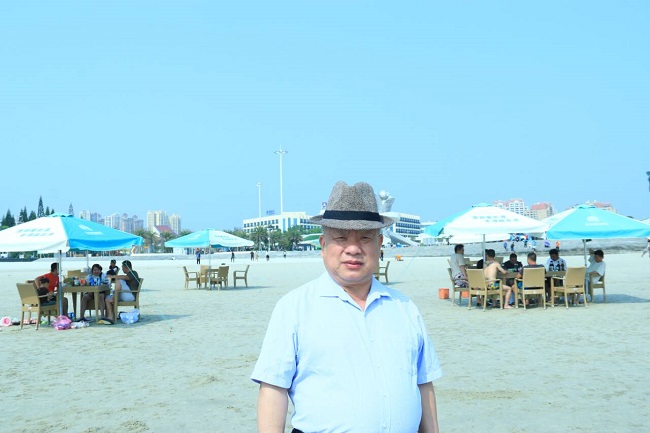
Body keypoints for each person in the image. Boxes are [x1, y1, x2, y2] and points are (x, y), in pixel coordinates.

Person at [251, 181, 442, 432]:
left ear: (379, 244)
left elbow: (423, 384)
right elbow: (274, 388)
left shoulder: (404, 308)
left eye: (365, 238)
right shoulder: (294, 308)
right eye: (341, 238)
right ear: (323, 245)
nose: (353, 249)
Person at [104, 260, 140, 324]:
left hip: (130, 296)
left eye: (123, 267)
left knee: (119, 280)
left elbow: (125, 277)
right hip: (127, 294)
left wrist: (112, 276)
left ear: (126, 267)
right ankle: (111, 316)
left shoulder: (133, 273)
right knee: (107, 298)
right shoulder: (130, 274)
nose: (122, 269)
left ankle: (115, 298)